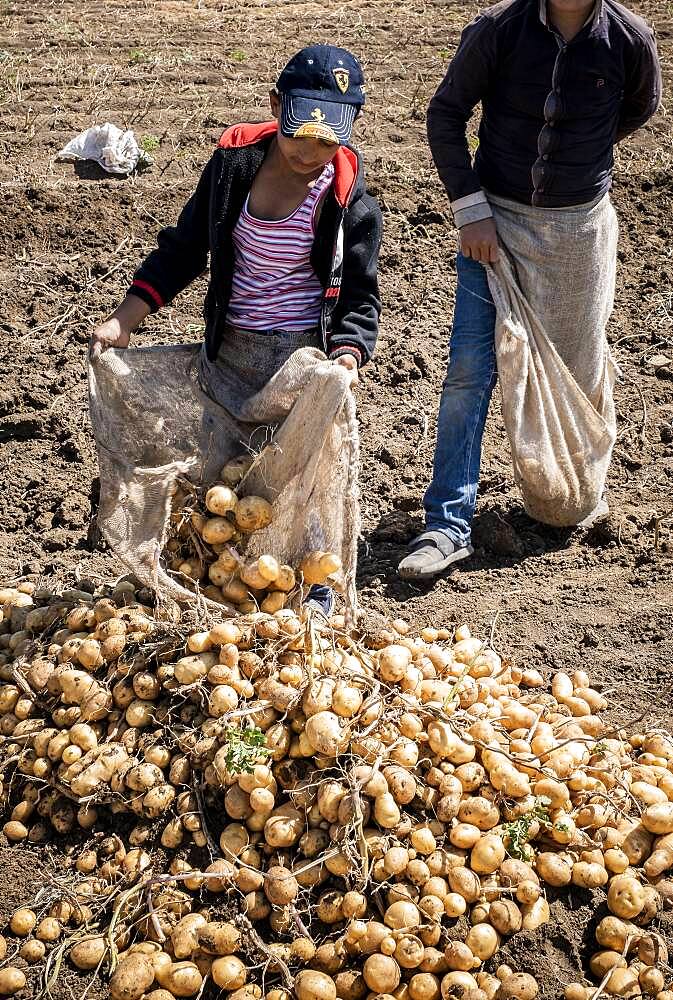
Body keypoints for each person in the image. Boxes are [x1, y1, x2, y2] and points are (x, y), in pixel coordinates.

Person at [90, 44, 383, 614]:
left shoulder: (348, 198)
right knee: (220, 487)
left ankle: (311, 591)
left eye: (329, 141)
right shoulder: (233, 167)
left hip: (302, 366)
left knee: (300, 484)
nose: (311, 152)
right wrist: (125, 318)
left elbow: (359, 296)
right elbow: (184, 248)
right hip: (229, 356)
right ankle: (215, 590)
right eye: (300, 134)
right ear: (277, 106)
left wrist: (346, 356)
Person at [398, 0, 661, 581]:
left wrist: (583, 154)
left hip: (578, 231)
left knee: (577, 369)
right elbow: (446, 115)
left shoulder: (630, 42)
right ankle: (448, 523)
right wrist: (472, 211)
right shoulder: (498, 31)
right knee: (471, 368)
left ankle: (564, 499)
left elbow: (638, 108)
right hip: (493, 227)